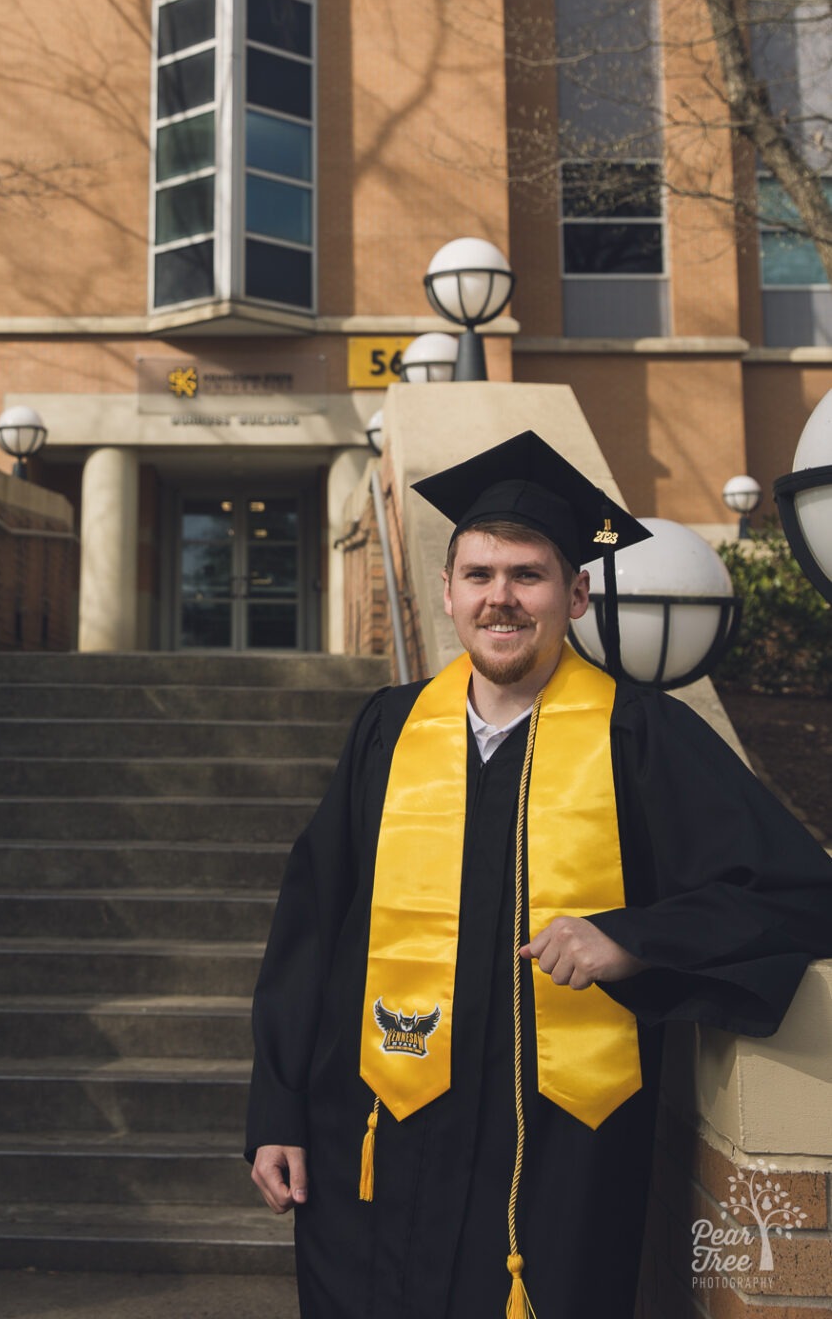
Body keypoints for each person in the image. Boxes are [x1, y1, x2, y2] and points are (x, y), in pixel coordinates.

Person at [246, 432, 832, 1319]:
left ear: (575, 593)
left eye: (527, 575)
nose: (501, 599)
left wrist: (632, 940)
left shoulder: (639, 738)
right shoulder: (387, 731)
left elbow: (796, 894)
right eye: (479, 575)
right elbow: (311, 926)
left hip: (557, 1153)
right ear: (446, 593)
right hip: (370, 1135)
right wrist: (277, 1108)